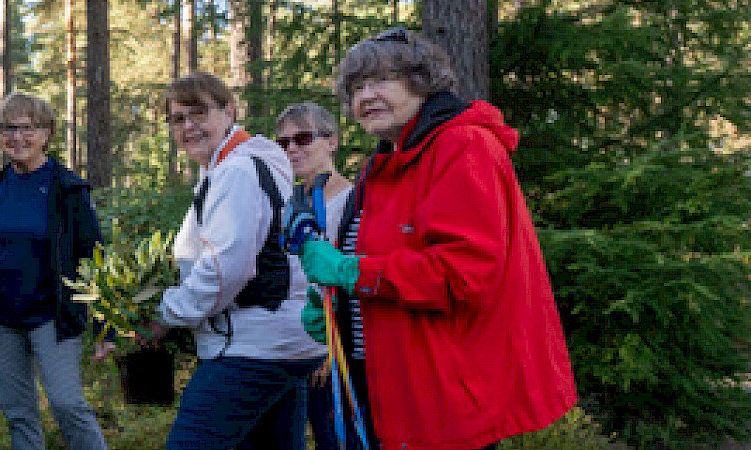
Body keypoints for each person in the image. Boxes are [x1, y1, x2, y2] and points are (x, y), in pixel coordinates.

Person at [297, 27, 576, 450]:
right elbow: (379, 264)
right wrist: (336, 309)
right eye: (356, 87)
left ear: (421, 82)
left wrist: (353, 272)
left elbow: (462, 274)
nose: (365, 95)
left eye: (380, 80)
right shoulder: (384, 164)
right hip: (380, 385)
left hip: (440, 395)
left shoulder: (463, 147)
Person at [140, 73, 327, 450]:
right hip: (279, 340)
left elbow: (225, 269)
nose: (188, 126)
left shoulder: (237, 172)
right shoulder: (237, 166)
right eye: (177, 119)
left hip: (251, 346)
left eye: (198, 113)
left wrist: (164, 314)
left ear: (228, 111)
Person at [0, 92, 110, 450]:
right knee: (19, 414)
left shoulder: (68, 188)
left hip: (53, 318)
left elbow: (94, 257)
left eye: (27, 128)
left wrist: (106, 326)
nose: (17, 137)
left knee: (68, 404)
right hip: (0, 321)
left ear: (46, 133)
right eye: (8, 128)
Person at [272, 102, 354, 450]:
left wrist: (330, 350)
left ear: (332, 141)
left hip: (329, 349)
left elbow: (350, 278)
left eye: (303, 138)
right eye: (284, 142)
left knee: (333, 439)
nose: (292, 148)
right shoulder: (285, 203)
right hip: (282, 347)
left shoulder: (354, 201)